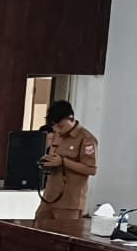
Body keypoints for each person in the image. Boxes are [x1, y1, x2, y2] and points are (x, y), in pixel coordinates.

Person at [35, 100, 97, 236]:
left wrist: (63, 162)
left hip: (69, 202)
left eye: (61, 126)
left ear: (71, 118)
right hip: (50, 197)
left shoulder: (86, 138)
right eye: (55, 126)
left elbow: (91, 169)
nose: (58, 130)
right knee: (38, 229)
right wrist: (47, 162)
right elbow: (54, 157)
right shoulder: (57, 135)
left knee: (63, 237)